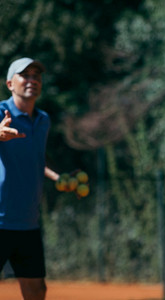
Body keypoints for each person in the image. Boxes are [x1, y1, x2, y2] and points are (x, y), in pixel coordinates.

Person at [0, 57, 59, 300]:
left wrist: (59, 177)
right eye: (25, 75)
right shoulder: (1, 112)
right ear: (10, 84)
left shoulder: (43, 120)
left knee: (36, 291)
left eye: (37, 75)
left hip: (28, 223)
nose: (32, 80)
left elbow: (36, 159)